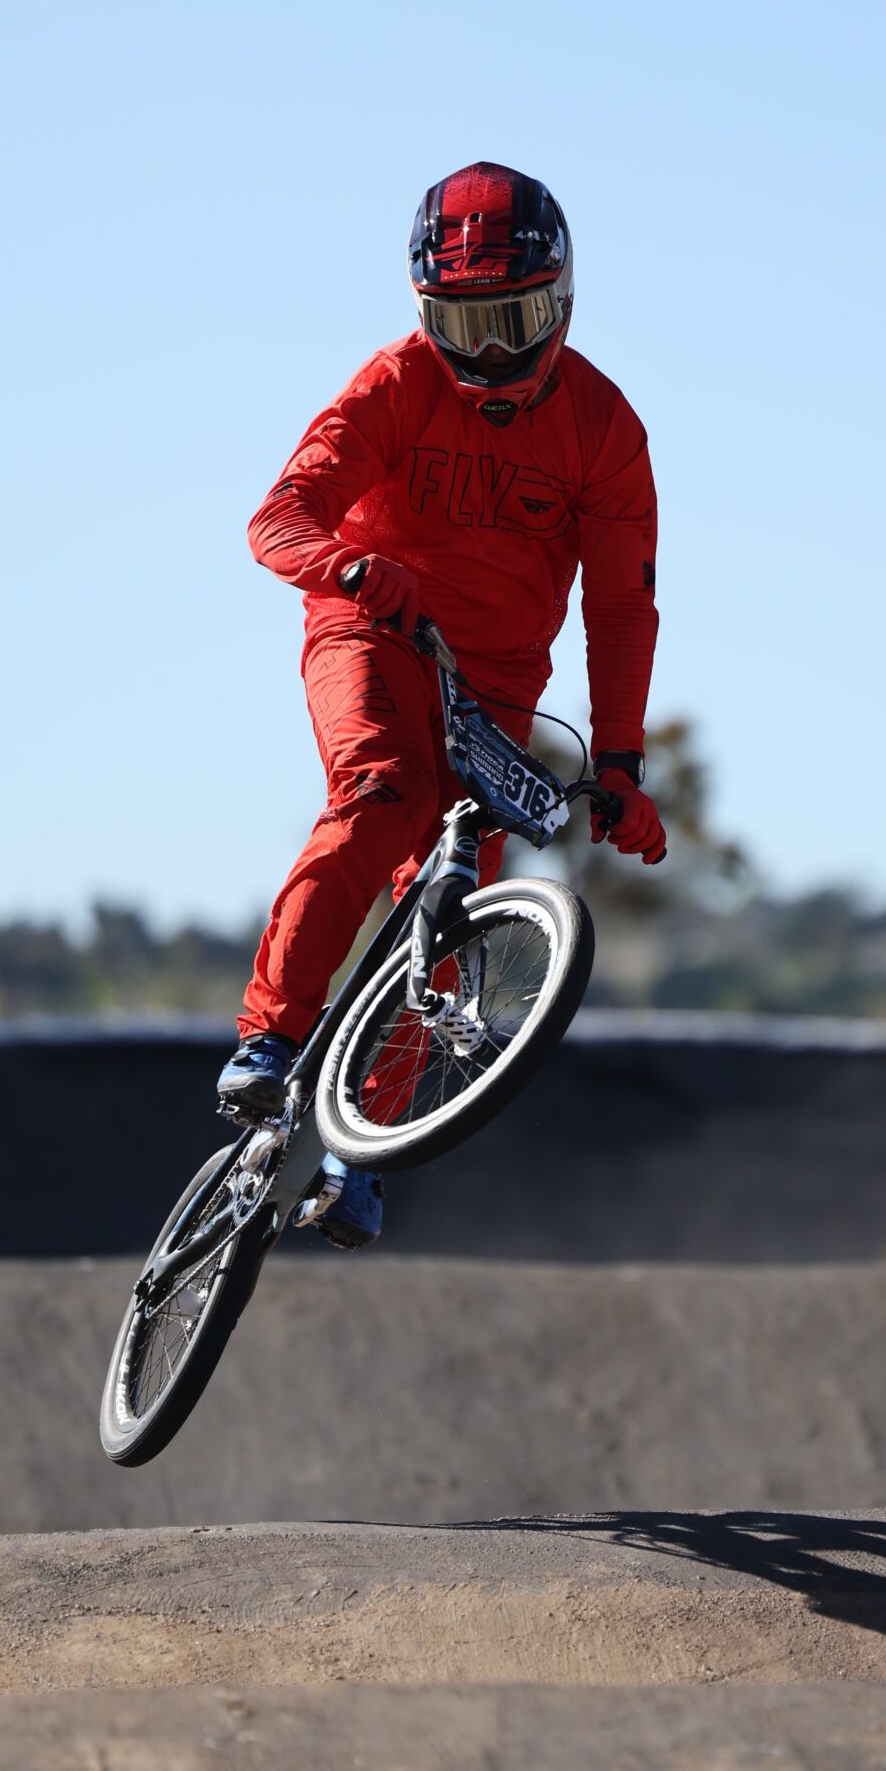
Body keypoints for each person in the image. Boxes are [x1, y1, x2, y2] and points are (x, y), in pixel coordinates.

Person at [219, 161, 665, 1245]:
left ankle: (364, 1143)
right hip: (372, 630)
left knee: (454, 909)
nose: (495, 355)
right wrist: (347, 566)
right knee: (382, 794)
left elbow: (620, 605)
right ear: (425, 315)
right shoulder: (393, 385)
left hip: (496, 685)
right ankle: (269, 1039)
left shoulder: (604, 429)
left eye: (516, 322)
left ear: (562, 301)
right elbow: (277, 517)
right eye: (466, 327)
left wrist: (619, 764)